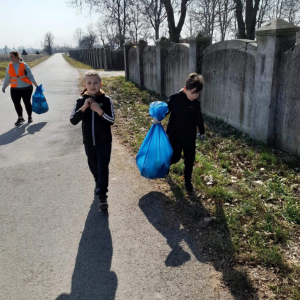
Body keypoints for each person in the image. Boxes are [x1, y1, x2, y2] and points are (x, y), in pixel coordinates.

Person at [70, 70, 115, 211]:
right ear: (85, 84)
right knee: (93, 165)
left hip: (104, 142)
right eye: (89, 83)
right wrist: (84, 108)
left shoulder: (106, 100)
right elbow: (73, 120)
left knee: (103, 167)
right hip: (89, 142)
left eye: (95, 82)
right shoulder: (80, 101)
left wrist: (99, 111)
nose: (92, 85)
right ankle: (97, 181)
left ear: (100, 84)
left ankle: (103, 196)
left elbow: (111, 120)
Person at [154, 73, 205, 193]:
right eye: (193, 92)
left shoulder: (196, 104)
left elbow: (199, 119)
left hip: (189, 137)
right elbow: (166, 110)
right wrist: (158, 118)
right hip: (175, 135)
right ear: (185, 89)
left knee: (189, 159)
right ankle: (165, 167)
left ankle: (188, 182)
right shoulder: (175, 98)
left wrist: (202, 131)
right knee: (175, 157)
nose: (195, 96)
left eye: (197, 93)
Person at [2, 51, 38, 126]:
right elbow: (7, 77)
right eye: (10, 56)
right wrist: (4, 86)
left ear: (16, 56)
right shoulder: (10, 66)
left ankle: (29, 116)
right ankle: (20, 117)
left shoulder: (24, 65)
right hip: (15, 88)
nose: (11, 58)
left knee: (27, 102)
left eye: (12, 56)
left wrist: (36, 85)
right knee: (16, 103)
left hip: (26, 88)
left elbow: (30, 76)